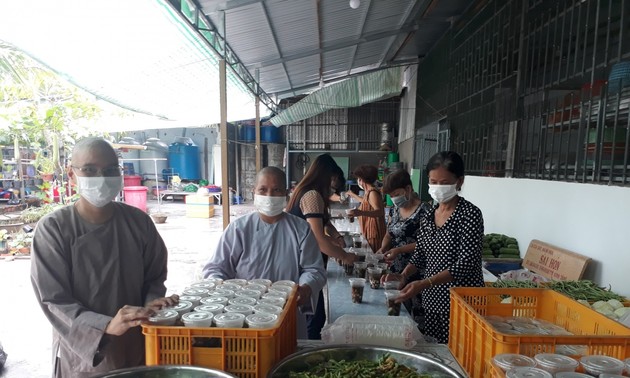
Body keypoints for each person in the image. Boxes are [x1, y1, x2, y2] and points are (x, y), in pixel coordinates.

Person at [30, 137, 178, 378]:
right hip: (85, 354)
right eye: (89, 170)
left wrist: (151, 303)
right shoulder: (54, 229)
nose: (100, 178)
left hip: (136, 344)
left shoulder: (138, 222)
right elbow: (54, 302)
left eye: (109, 170)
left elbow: (154, 276)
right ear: (71, 175)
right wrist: (105, 326)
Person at [201, 166, 327, 339]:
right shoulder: (239, 228)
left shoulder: (301, 229)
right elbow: (216, 268)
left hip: (286, 311)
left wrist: (305, 288)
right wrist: (220, 290)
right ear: (254, 192)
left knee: (286, 356)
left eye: (276, 190)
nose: (269, 196)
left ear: (286, 193)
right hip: (242, 313)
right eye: (263, 189)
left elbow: (314, 269)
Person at [383, 151, 484, 344]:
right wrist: (403, 275)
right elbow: (420, 252)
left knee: (458, 355)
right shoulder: (430, 215)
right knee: (434, 352)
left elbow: (467, 263)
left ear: (459, 181)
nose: (438, 187)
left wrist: (425, 282)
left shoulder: (469, 215)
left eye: (444, 182)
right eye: (433, 182)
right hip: (432, 302)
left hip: (460, 303)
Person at [286, 154, 357, 339]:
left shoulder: (308, 191)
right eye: (333, 180)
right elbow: (318, 238)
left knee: (314, 313)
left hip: (300, 259)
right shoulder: (312, 195)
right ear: (327, 175)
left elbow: (322, 222)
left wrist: (336, 236)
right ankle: (308, 353)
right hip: (303, 262)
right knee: (314, 317)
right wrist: (345, 256)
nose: (333, 186)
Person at [377, 169, 431, 327]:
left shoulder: (425, 211)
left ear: (408, 189)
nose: (394, 198)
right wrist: (382, 250)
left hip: (417, 270)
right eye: (391, 195)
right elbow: (389, 233)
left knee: (417, 316)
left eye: (396, 193)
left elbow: (427, 243)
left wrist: (400, 250)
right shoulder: (394, 210)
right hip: (396, 269)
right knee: (397, 309)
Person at [346, 164, 387, 252]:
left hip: (374, 233)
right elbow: (365, 201)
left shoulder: (372, 193)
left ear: (362, 179)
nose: (358, 180)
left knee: (375, 258)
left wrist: (360, 213)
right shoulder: (368, 192)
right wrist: (353, 194)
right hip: (369, 232)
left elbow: (379, 212)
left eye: (358, 178)